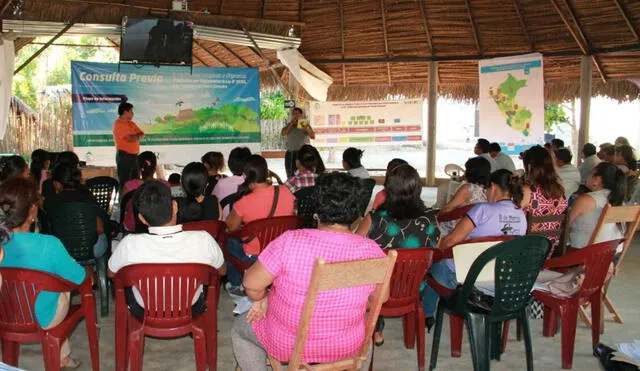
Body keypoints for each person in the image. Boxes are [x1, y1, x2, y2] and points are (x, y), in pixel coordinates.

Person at [231, 173, 383, 371]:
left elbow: (251, 284)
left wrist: (263, 298)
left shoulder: (290, 241)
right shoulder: (372, 251)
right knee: (365, 335)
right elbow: (379, 299)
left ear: (317, 209)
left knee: (240, 329)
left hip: (289, 344)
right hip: (346, 345)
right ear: (356, 212)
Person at [0, 177, 86, 368]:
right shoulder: (49, 244)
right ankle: (62, 356)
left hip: (4, 315)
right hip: (43, 318)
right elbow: (79, 278)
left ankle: (64, 356)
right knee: (62, 287)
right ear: (32, 210)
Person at [423, 170, 527, 326]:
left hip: (468, 281)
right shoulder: (521, 214)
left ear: (493, 187)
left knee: (433, 265)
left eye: (486, 190)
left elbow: (450, 241)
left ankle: (427, 314)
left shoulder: (482, 210)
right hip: (499, 278)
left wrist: (436, 248)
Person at [108, 181, 226, 314]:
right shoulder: (204, 239)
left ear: (142, 219)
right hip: (191, 307)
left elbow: (111, 273)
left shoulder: (129, 244)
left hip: (144, 309)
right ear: (175, 207)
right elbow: (221, 271)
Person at [356, 164, 439, 346]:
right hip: (413, 288)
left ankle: (375, 326)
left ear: (388, 188)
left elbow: (353, 248)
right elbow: (433, 251)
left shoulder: (376, 218)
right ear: (418, 187)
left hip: (377, 290)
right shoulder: (430, 219)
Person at [225, 155, 296, 296]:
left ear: (246, 176)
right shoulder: (285, 191)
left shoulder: (244, 202)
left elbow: (231, 227)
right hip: (282, 250)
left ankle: (235, 284)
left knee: (230, 241)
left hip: (255, 255)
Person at [43, 164, 109, 259]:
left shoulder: (52, 202)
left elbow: (49, 229)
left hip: (62, 251)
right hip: (92, 250)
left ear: (57, 184)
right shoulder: (89, 197)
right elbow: (101, 226)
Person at [521, 146, 568, 255]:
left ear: (529, 166)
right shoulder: (560, 192)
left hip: (525, 252)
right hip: (547, 252)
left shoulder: (527, 192)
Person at [568, 162, 625, 252]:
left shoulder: (586, 199)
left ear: (597, 179)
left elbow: (565, 226)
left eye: (590, 173)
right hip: (613, 254)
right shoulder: (619, 200)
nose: (587, 176)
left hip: (583, 255)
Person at [438, 157, 491, 236]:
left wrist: (437, 215)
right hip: (479, 228)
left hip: (459, 229)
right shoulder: (490, 190)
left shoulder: (468, 188)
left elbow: (447, 209)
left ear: (470, 172)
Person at [121, 151, 169, 231]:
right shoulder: (165, 185)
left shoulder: (129, 186)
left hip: (133, 226)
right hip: (159, 225)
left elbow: (124, 208)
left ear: (139, 168)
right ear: (155, 167)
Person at [213, 147, 252, 219]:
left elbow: (213, 203)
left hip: (224, 227)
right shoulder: (254, 184)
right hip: (249, 227)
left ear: (229, 164)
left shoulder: (220, 184)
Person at [113, 101, 144, 190]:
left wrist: (136, 136)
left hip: (134, 156)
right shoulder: (118, 124)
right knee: (125, 183)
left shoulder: (131, 123)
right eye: (131, 111)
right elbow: (131, 139)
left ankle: (134, 203)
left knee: (136, 182)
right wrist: (137, 136)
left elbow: (142, 134)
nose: (133, 114)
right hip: (124, 156)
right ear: (125, 112)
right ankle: (123, 202)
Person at [281, 107, 315, 178]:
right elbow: (283, 133)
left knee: (302, 173)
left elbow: (312, 136)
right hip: (290, 152)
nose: (295, 115)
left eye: (297, 114)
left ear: (301, 115)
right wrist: (291, 124)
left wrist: (306, 127)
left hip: (301, 153)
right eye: (293, 114)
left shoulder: (305, 125)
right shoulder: (289, 125)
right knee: (290, 173)